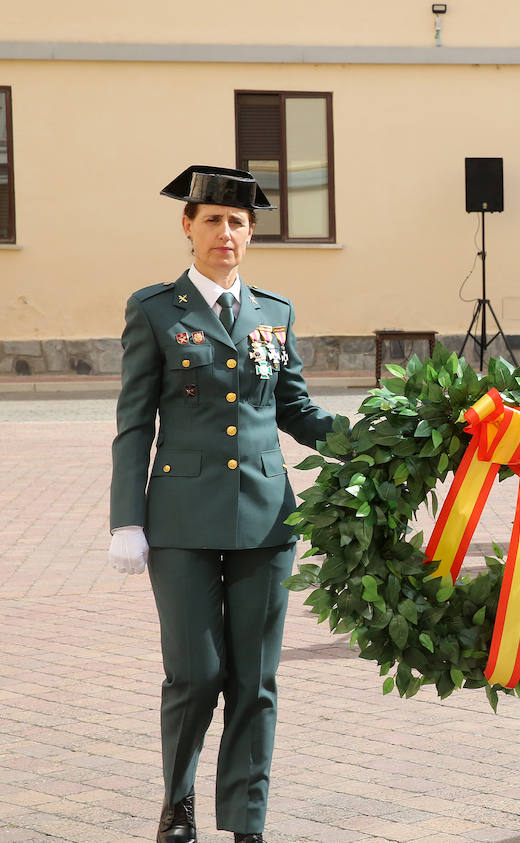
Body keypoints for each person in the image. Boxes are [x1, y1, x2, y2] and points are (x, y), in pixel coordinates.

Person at [107, 165, 339, 843]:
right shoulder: (154, 309)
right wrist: (127, 515)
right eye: (212, 219)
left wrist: (377, 437)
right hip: (179, 520)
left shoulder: (275, 311)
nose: (226, 233)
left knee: (255, 679)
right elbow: (134, 421)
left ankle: (246, 819)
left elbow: (294, 408)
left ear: (251, 233)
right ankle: (178, 800)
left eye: (238, 222)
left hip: (266, 520)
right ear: (188, 226)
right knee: (195, 672)